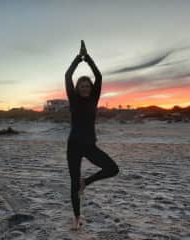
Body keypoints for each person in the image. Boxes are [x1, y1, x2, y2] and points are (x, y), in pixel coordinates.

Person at [65, 41, 120, 230]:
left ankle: (86, 182)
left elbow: (99, 75)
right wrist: (77, 59)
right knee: (73, 183)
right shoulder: (73, 99)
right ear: (78, 88)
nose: (85, 88)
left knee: (113, 169)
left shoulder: (94, 99)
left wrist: (87, 58)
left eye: (87, 85)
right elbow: (67, 75)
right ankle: (76, 218)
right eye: (82, 85)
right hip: (73, 146)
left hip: (90, 146)